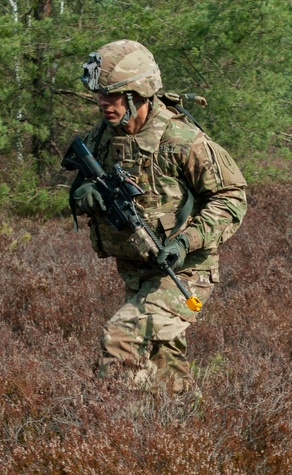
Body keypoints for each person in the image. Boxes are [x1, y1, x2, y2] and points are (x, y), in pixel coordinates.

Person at [71, 39, 247, 397]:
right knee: (166, 368)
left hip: (185, 270)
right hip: (138, 270)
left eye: (114, 95)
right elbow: (80, 186)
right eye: (100, 95)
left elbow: (231, 198)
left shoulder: (181, 139)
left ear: (139, 93)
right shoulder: (104, 136)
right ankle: (182, 434)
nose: (104, 102)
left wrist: (185, 242)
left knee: (120, 340)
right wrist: (85, 196)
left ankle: (121, 431)